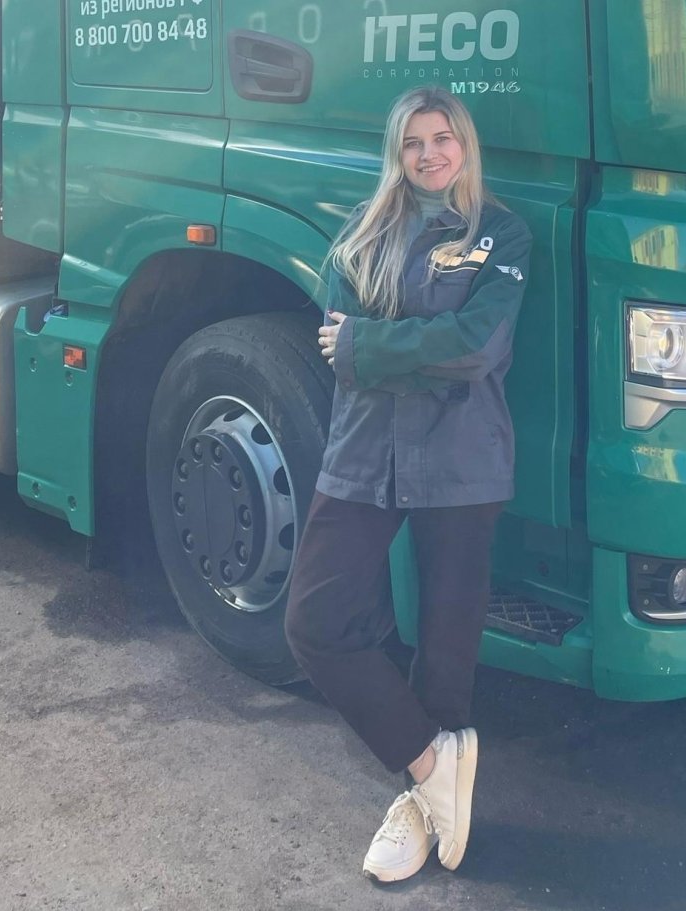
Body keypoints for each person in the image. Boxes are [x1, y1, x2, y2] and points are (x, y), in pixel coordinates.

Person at [283, 85, 532, 884]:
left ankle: (420, 810)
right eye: (414, 142)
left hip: (462, 459)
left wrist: (377, 347)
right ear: (397, 153)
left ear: (465, 144)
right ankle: (431, 766)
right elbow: (336, 345)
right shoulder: (363, 233)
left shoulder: (500, 233)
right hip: (365, 452)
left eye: (442, 138)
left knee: (446, 647)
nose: (429, 154)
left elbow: (476, 347)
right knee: (315, 622)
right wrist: (410, 350)